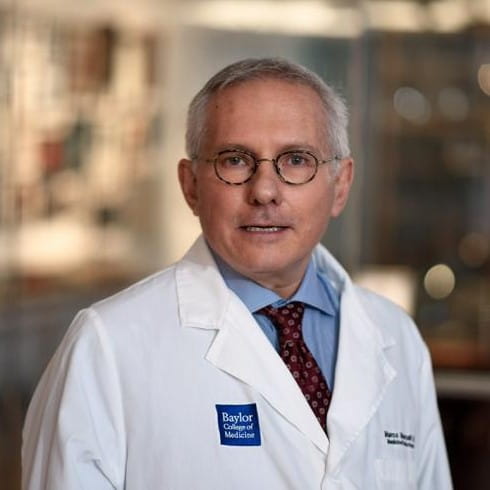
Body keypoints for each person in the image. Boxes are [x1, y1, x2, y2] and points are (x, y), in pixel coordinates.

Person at [22, 58, 453, 489]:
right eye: (235, 160)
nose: (264, 191)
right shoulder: (108, 345)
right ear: (191, 186)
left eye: (296, 160)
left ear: (340, 184)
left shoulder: (395, 336)